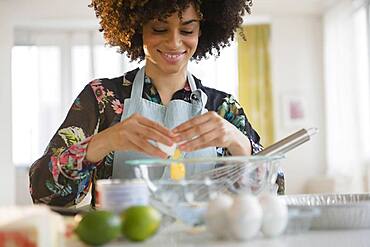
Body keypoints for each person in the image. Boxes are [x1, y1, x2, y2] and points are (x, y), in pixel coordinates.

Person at [29, 0, 281, 207]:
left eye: (187, 30)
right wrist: (105, 141)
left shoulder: (223, 107)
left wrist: (239, 143)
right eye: (160, 29)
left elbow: (274, 195)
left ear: (201, 31)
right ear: (139, 29)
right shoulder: (102, 97)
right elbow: (43, 192)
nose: (174, 42)